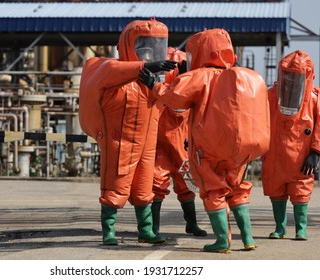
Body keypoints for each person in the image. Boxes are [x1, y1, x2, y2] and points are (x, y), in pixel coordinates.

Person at [139, 28, 270, 253]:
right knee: (237, 190)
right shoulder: (246, 76)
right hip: (242, 151)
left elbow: (174, 98)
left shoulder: (202, 76)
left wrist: (154, 84)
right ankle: (248, 238)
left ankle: (222, 240)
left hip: (211, 149)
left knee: (214, 191)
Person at [78, 18, 177, 245]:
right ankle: (109, 231)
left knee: (144, 187)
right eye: (145, 46)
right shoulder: (111, 69)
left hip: (146, 144)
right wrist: (145, 67)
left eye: (156, 46)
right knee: (115, 185)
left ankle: (146, 230)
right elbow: (113, 71)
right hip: (120, 142)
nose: (151, 52)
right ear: (129, 44)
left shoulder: (151, 80)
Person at [261, 50, 320, 241]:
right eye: (287, 75)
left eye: (295, 76)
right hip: (274, 156)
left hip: (301, 158)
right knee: (276, 191)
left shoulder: (314, 99)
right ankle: (279, 228)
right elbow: (254, 120)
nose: (290, 80)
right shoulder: (270, 96)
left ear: (306, 76)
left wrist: (315, 152)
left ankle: (301, 229)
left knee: (300, 193)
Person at [152, 47, 207, 237]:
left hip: (181, 144)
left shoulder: (185, 90)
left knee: (186, 187)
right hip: (161, 145)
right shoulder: (160, 89)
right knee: (156, 185)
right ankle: (153, 228)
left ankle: (191, 224)